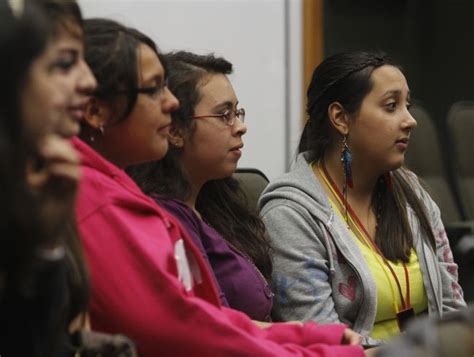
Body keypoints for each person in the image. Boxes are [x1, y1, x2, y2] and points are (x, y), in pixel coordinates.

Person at [75, 17, 366, 356]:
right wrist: (317, 348)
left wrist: (307, 337)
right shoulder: (98, 205)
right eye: (154, 88)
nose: (170, 104)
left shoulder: (197, 203)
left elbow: (209, 319)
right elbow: (185, 332)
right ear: (95, 110)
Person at [259, 51, 466, 345]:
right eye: (391, 106)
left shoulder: (411, 192)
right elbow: (327, 342)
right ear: (341, 118)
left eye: (407, 105)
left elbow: (451, 309)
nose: (410, 121)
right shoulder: (289, 214)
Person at [127, 51, 274, 322]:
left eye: (237, 112)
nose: (241, 127)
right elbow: (217, 328)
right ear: (175, 131)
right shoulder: (164, 217)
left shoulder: (214, 202)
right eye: (224, 115)